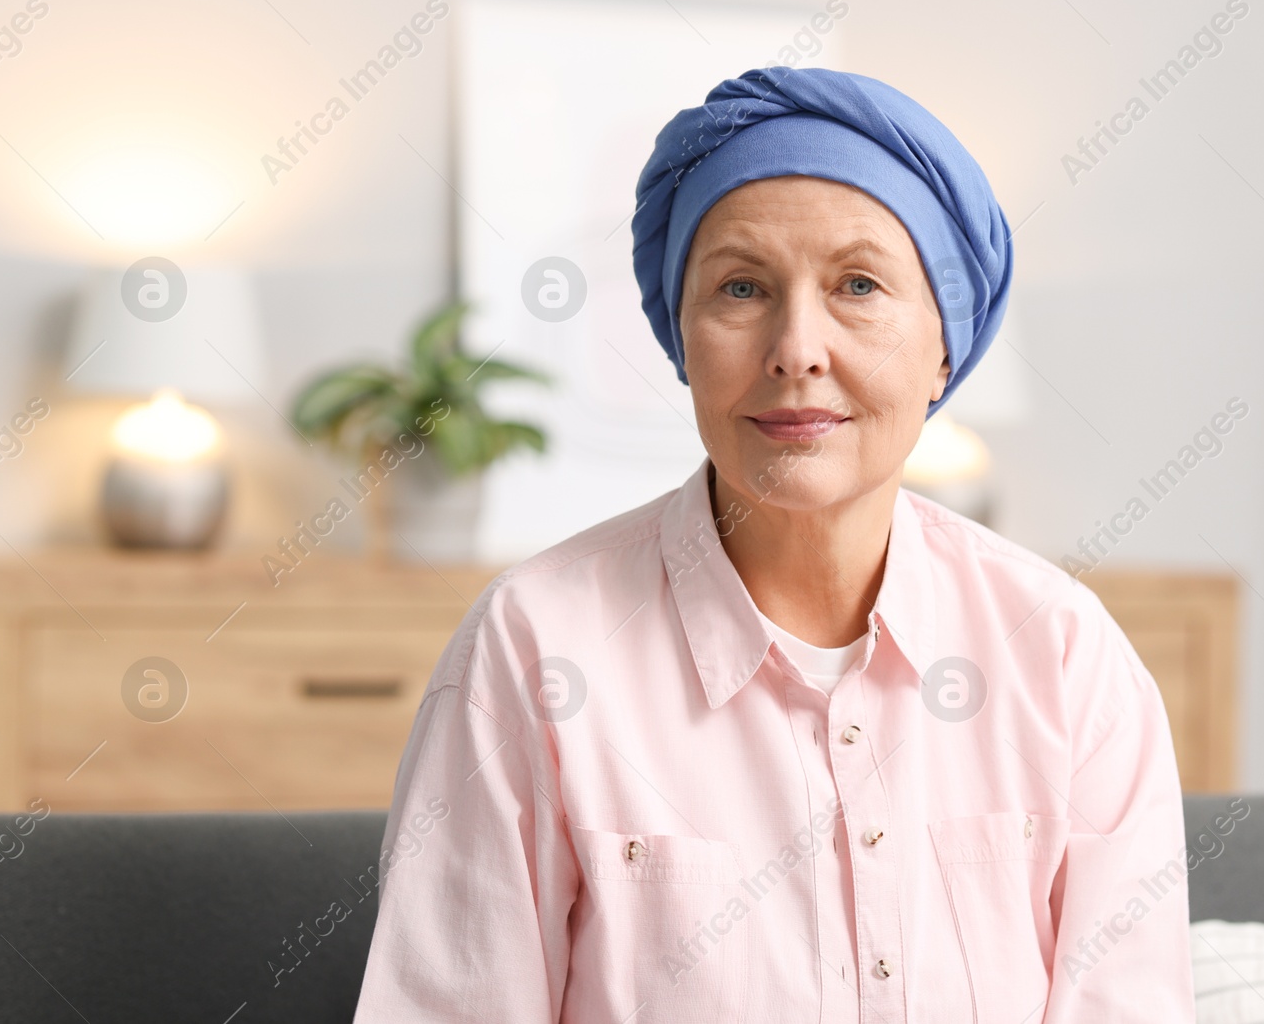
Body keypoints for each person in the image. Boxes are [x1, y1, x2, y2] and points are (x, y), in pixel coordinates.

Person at [352, 65, 1194, 1022]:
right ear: (682, 334)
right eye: (742, 287)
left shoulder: (1067, 656)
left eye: (860, 285)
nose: (797, 347)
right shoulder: (535, 648)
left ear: (945, 349)